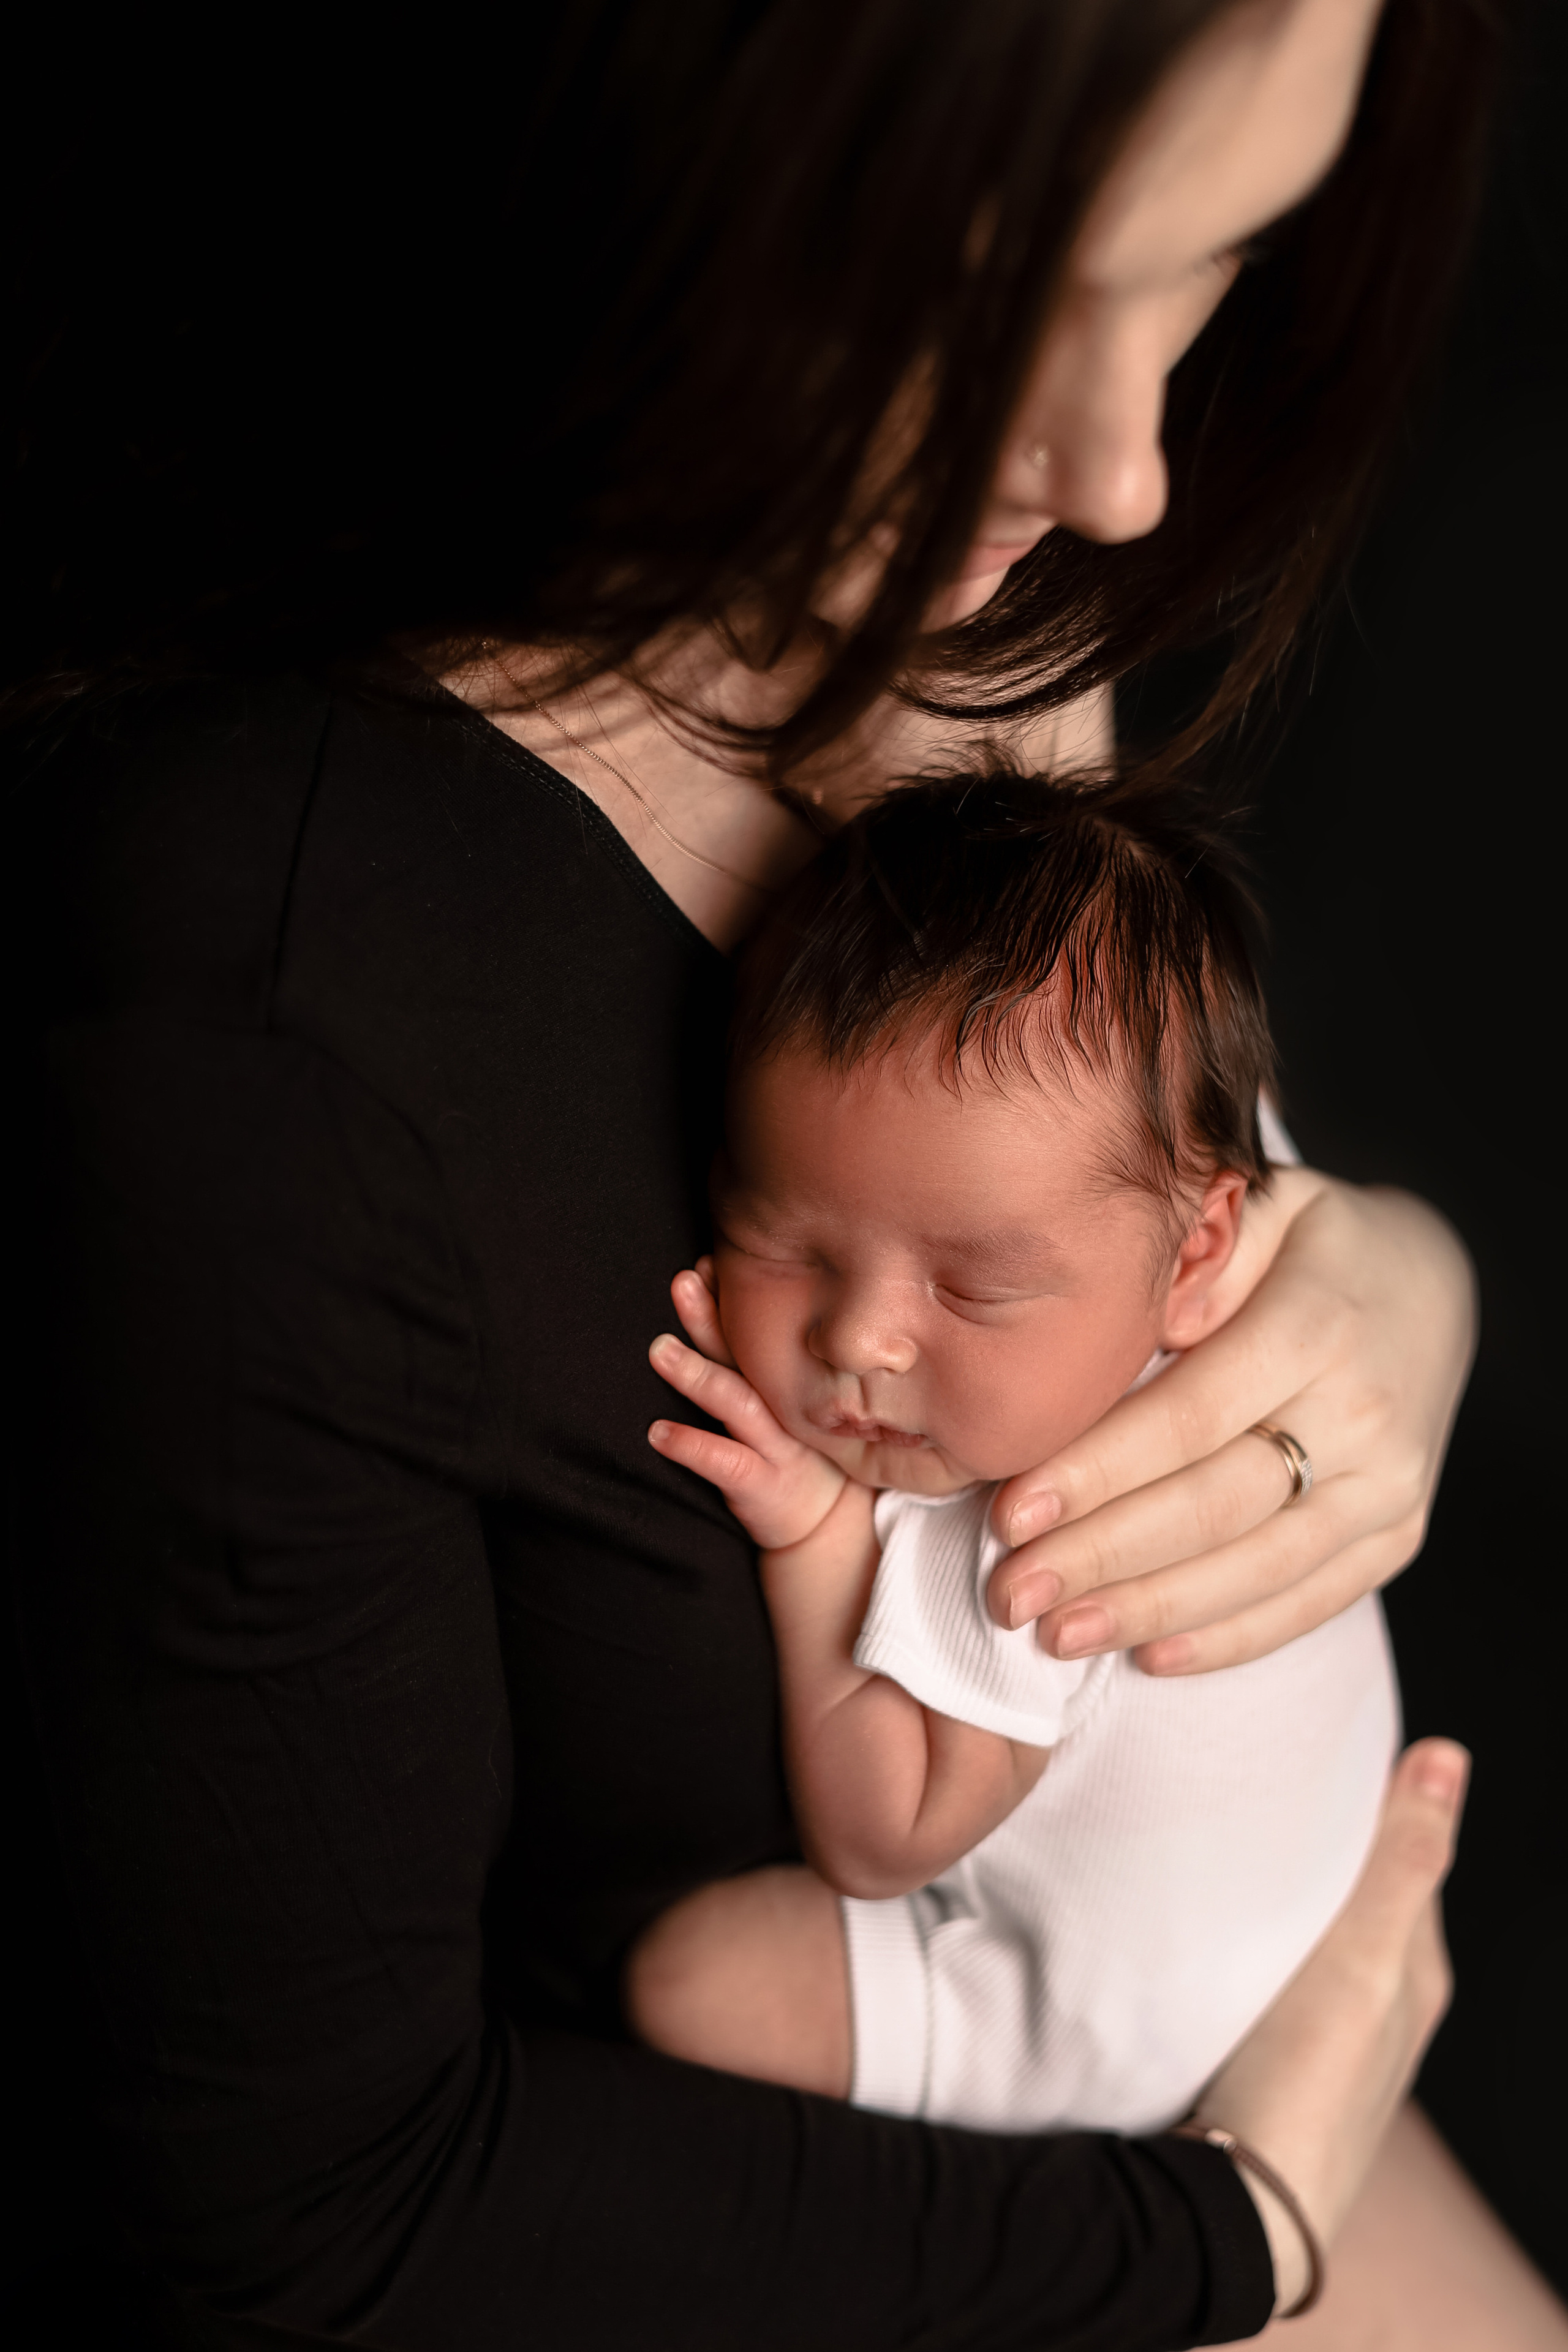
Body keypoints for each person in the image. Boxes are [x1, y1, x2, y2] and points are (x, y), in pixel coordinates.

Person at [7, 1, 1561, 2345]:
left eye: (1213, 260)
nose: (1124, 470)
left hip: (1160, 2005)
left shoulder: (968, 594)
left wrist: (1395, 1299)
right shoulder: (249, 1014)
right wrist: (1236, 2237)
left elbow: (1163, 1155)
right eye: (972, 303)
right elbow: (319, 2222)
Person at [625, 773, 1400, 2173]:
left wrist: (813, 1543)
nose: (856, 1337)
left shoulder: (1040, 1515)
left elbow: (890, 1835)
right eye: (781, 1239)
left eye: (971, 1290)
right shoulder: (1152, 1278)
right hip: (1293, 1883)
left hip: (1111, 2026)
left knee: (691, 1981)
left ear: (1198, 1256)